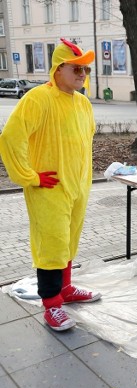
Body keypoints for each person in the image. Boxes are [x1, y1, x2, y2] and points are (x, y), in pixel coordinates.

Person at [0, 39, 101, 331]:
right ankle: (52, 306)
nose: (82, 75)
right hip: (49, 188)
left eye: (85, 70)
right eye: (76, 69)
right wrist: (29, 176)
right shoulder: (37, 99)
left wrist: (84, 178)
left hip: (77, 186)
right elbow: (10, 137)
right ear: (58, 69)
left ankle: (66, 289)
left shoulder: (82, 103)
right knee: (52, 245)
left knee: (68, 241)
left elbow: (84, 141)